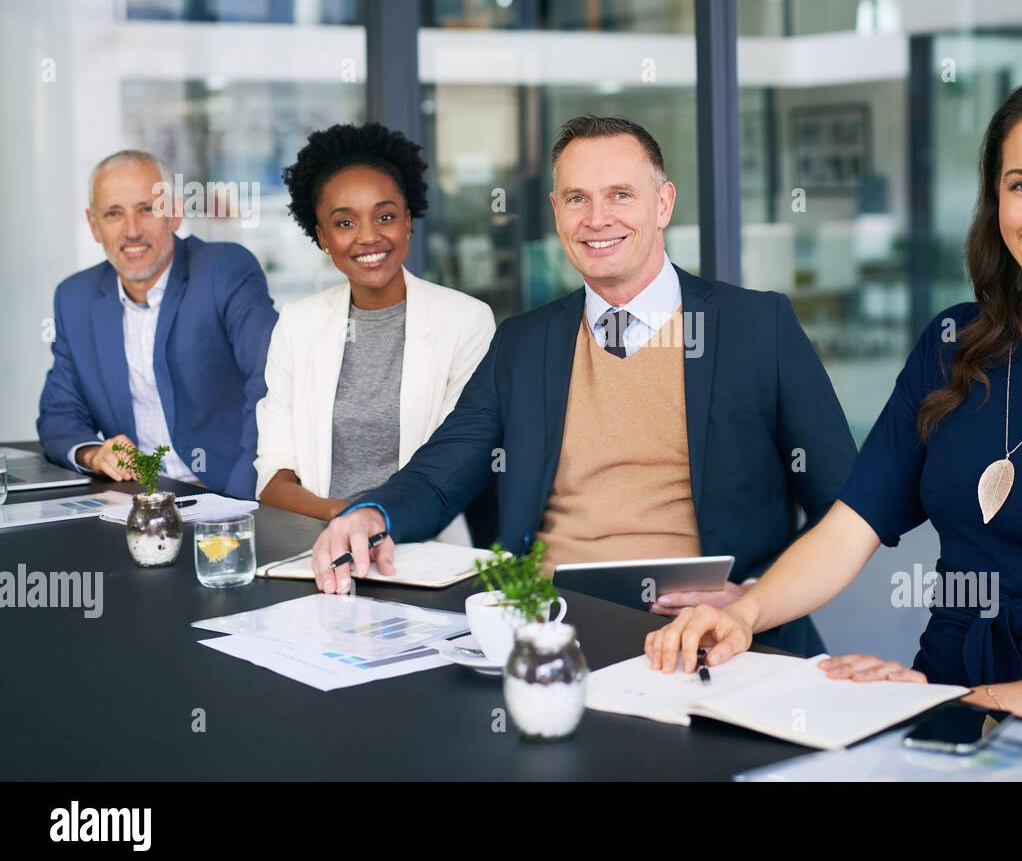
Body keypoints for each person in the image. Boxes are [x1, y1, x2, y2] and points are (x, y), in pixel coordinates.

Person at [644, 64, 1022, 762]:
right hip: (948, 707)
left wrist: (947, 705)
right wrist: (744, 610)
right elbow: (848, 529)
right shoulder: (955, 346)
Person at [310, 115, 857, 655]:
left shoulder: (759, 327)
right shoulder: (524, 343)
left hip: (715, 635)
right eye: (576, 199)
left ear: (663, 203)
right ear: (556, 212)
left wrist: (753, 599)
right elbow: (440, 475)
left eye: (620, 195)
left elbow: (846, 505)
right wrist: (370, 514)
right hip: (547, 629)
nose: (597, 219)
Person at [254, 123, 495, 543]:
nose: (368, 236)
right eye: (344, 223)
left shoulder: (466, 321)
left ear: (408, 222)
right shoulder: (297, 323)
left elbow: (453, 470)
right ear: (322, 238)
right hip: (316, 546)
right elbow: (273, 481)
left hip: (424, 548)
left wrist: (373, 519)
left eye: (385, 216)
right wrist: (346, 516)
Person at [38, 149, 278, 499]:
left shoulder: (224, 271)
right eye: (113, 214)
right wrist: (94, 453)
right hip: (136, 500)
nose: (132, 231)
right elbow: (60, 413)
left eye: (147, 209)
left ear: (175, 213)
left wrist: (240, 504)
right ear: (94, 225)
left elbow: (270, 386)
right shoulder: (75, 298)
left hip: (228, 491)